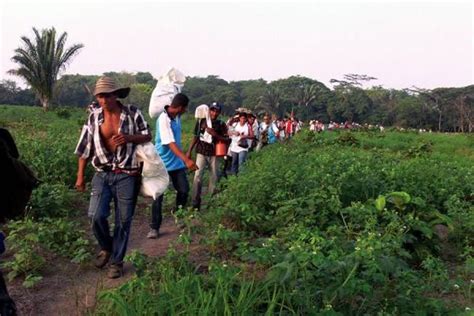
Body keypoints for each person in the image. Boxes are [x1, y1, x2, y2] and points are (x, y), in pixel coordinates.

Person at [74, 76, 151, 279]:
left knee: (123, 221)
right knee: (95, 216)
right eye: (100, 96)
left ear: (116, 95)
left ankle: (116, 262)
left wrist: (129, 138)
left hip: (127, 174)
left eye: (107, 96)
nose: (104, 100)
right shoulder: (94, 117)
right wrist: (80, 176)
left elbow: (147, 134)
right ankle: (107, 247)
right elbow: (84, 148)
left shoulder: (132, 113)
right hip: (102, 173)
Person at [147, 93, 197, 239]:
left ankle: (178, 215)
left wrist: (183, 160)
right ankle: (154, 227)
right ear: (180, 108)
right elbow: (170, 143)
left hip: (176, 163)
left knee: (183, 190)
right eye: (185, 108)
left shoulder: (177, 116)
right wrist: (187, 160)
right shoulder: (163, 119)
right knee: (158, 196)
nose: (185, 111)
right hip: (161, 163)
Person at [186, 102, 227, 210]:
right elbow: (196, 136)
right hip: (201, 151)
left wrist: (215, 135)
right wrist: (189, 151)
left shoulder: (221, 124)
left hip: (215, 153)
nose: (214, 113)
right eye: (212, 110)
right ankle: (195, 203)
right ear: (209, 111)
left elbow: (227, 139)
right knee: (197, 176)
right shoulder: (201, 121)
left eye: (216, 111)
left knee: (214, 177)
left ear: (219, 112)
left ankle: (210, 202)